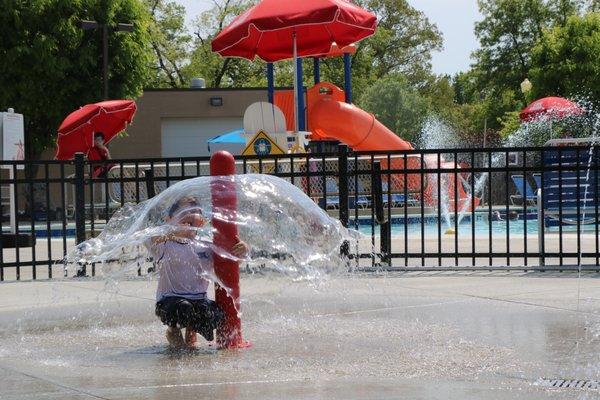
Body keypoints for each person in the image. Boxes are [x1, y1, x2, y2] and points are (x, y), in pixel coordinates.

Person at [148, 196, 248, 349]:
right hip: (170, 300)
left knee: (211, 314)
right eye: (185, 211)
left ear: (201, 222)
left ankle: (191, 332)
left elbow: (231, 262)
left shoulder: (206, 245)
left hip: (198, 299)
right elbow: (147, 238)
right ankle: (173, 332)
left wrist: (243, 248)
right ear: (169, 220)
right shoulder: (165, 244)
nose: (191, 213)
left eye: (195, 211)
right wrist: (174, 232)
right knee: (184, 309)